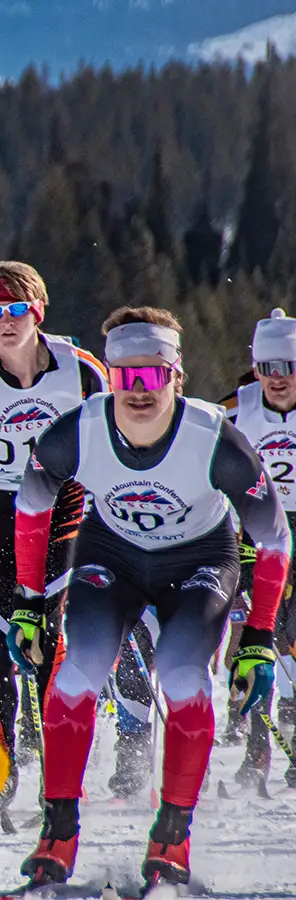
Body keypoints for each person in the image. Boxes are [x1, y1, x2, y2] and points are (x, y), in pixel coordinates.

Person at [12, 307, 290, 888]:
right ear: (109, 377)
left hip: (198, 562)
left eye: (153, 376)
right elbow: (32, 506)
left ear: (177, 376)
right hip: (110, 557)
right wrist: (29, 603)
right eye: (125, 377)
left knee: (182, 674)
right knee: (75, 674)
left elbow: (272, 535)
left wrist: (260, 637)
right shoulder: (79, 429)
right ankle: (58, 830)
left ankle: (172, 834)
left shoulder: (213, 437)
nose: (139, 391)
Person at [0, 261, 162, 804]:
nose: (5, 322)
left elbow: (126, 436)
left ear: (37, 311)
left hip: (63, 511)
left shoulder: (81, 370)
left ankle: (60, 777)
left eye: (15, 309)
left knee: (51, 644)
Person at [223, 308, 296, 789]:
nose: (277, 379)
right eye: (267, 368)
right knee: (258, 639)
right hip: (254, 530)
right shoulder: (235, 408)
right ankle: (256, 756)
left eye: (288, 367)